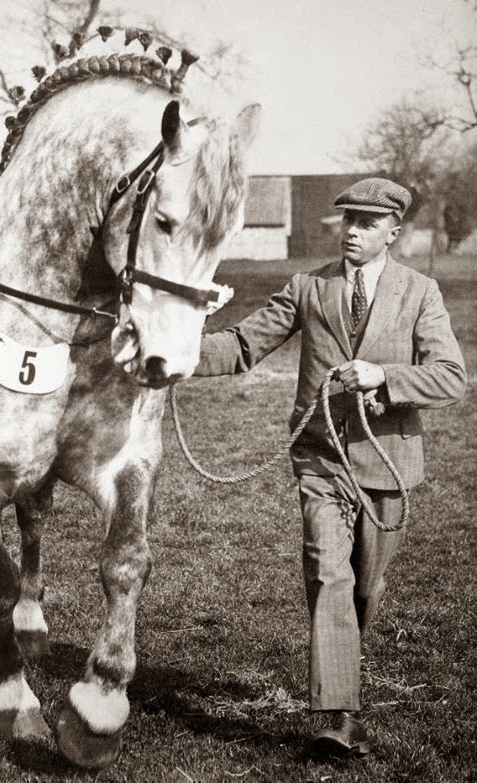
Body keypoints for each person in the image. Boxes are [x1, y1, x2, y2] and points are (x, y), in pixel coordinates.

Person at [194, 177, 467, 757]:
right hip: (319, 460)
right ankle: (337, 715)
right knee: (329, 575)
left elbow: (451, 376)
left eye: (367, 223)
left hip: (388, 464)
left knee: (363, 589)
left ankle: (341, 663)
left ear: (394, 232)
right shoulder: (308, 286)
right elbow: (243, 344)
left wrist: (386, 378)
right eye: (347, 221)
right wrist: (173, 349)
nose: (353, 231)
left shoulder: (420, 293)